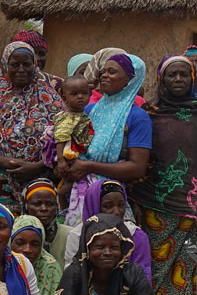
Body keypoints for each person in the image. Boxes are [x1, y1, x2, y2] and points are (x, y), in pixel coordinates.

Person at [131, 53, 197, 295]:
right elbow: (141, 156)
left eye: (184, 74)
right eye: (171, 74)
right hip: (157, 202)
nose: (178, 79)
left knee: (195, 262)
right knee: (159, 263)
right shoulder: (148, 113)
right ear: (161, 80)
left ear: (192, 79)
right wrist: (136, 200)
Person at [60, 50, 152, 239]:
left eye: (112, 72)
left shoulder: (137, 117)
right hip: (79, 191)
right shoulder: (89, 110)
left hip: (112, 199)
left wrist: (88, 166)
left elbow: (137, 167)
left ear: (129, 80)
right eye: (103, 71)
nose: (104, 75)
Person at [0, 39, 63, 200]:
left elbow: (66, 142)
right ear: (4, 66)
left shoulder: (52, 99)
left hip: (44, 187)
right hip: (2, 186)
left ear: (35, 65)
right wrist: (10, 163)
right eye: (15, 65)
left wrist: (37, 166)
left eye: (27, 64)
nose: (21, 70)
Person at [10, 213, 64, 295]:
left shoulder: (50, 267)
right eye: (20, 243)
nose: (27, 249)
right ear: (10, 243)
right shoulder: (0, 264)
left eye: (34, 244)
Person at [21, 179, 69, 275]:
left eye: (50, 204)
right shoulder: (15, 235)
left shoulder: (69, 235)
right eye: (37, 204)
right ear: (25, 205)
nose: (44, 209)